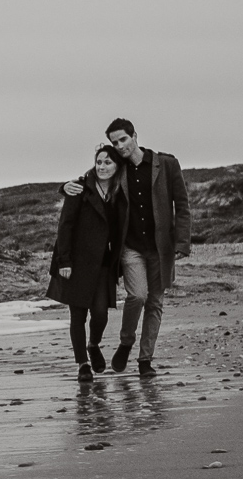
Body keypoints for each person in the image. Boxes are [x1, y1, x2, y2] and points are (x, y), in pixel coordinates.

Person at [62, 118, 190, 374]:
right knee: (138, 295)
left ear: (134, 136)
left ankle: (145, 361)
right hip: (130, 247)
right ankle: (125, 342)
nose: (119, 146)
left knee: (155, 303)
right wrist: (64, 187)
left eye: (123, 139)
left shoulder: (166, 164)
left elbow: (182, 205)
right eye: (114, 142)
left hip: (160, 247)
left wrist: (183, 242)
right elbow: (94, 177)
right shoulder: (119, 169)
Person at [48, 144, 126, 381]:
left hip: (103, 264)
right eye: (99, 162)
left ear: (117, 165)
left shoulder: (120, 191)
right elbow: (66, 226)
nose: (102, 167)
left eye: (107, 162)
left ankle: (94, 344)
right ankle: (82, 363)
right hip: (76, 262)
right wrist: (64, 261)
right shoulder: (79, 189)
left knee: (100, 314)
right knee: (78, 315)